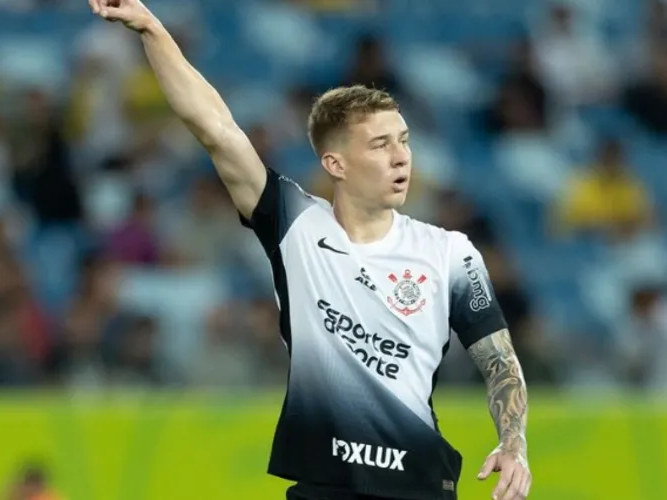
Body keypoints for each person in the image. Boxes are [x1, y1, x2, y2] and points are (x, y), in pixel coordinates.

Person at [87, 1, 532, 499]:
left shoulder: (449, 252)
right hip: (324, 486)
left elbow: (500, 362)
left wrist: (513, 443)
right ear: (335, 164)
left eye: (404, 140)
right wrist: (151, 28)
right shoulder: (296, 225)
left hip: (418, 486)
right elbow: (216, 129)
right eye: (380, 144)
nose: (401, 156)